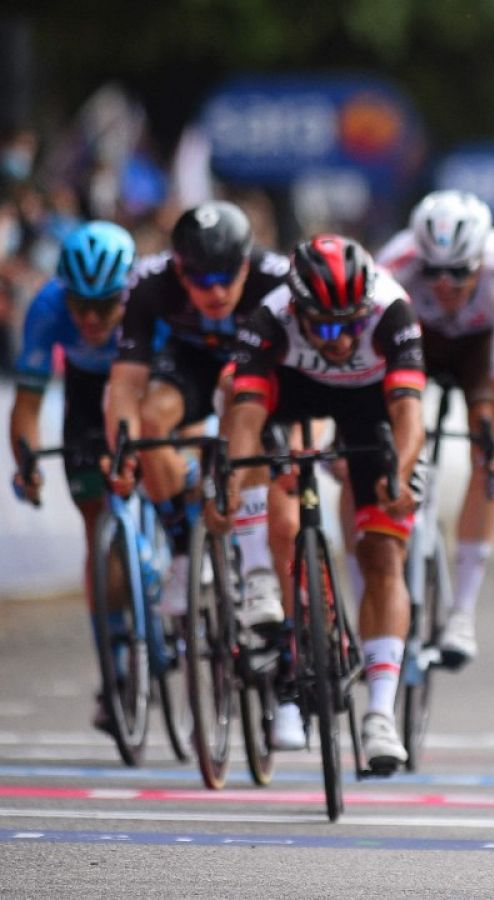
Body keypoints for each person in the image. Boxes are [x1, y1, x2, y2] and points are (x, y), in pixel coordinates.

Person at [210, 234, 426, 772]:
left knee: (381, 555)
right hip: (294, 394)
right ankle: (260, 572)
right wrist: (232, 486)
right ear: (298, 309)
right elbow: (247, 416)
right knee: (242, 428)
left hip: (369, 405)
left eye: (350, 325)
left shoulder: (392, 310)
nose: (339, 340)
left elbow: (408, 416)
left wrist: (397, 477)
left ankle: (379, 715)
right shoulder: (269, 315)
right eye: (325, 327)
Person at [102, 201, 289, 622]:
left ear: (246, 265)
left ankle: (262, 576)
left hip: (255, 371)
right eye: (201, 279)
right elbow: (126, 384)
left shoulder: (277, 277)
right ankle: (185, 550)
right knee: (150, 419)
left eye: (226, 277)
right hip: (192, 364)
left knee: (243, 404)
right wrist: (124, 450)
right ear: (179, 270)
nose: (216, 292)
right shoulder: (150, 282)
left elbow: (309, 373)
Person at [375, 190, 494, 668]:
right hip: (415, 342)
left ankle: (462, 612)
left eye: (459, 272)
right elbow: (371, 367)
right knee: (384, 439)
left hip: (478, 352)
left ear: (480, 260)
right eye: (433, 271)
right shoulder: (393, 265)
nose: (444, 284)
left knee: (490, 452)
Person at [8, 221, 133, 730]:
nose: (89, 318)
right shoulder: (46, 307)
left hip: (142, 381)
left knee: (166, 467)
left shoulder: (148, 303)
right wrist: (27, 464)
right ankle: (117, 668)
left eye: (104, 306)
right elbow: (27, 404)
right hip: (85, 392)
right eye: (80, 304)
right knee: (95, 524)